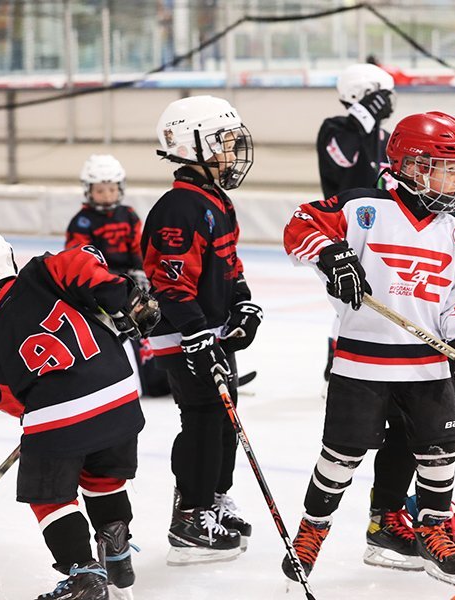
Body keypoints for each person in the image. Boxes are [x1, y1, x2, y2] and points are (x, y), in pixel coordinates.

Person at [281, 111, 455, 586]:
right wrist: (329, 252)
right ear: (415, 165)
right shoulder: (364, 209)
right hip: (362, 363)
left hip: (429, 369)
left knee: (440, 451)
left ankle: (435, 529)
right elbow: (300, 224)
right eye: (450, 166)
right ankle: (311, 530)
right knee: (340, 455)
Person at [0, 228, 159, 600]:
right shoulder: (42, 274)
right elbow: (83, 260)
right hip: (120, 396)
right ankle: (116, 547)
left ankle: (83, 574)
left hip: (59, 417)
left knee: (50, 496)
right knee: (102, 476)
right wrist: (125, 297)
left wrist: (44, 424)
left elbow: (2, 398)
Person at [361, 132, 455, 580]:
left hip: (445, 349)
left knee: (441, 439)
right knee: (403, 435)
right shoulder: (430, 225)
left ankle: (432, 513)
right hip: (399, 352)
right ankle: (386, 516)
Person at [143, 95, 263, 565]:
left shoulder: (215, 201)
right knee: (203, 418)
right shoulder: (179, 207)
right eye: (223, 142)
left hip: (209, 332)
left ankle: (213, 498)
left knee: (224, 420)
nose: (232, 153)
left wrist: (244, 301)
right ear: (191, 146)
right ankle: (190, 515)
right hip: (183, 337)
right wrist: (195, 332)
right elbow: (169, 281)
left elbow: (228, 265)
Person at [317, 63, 397, 383]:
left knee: (379, 301)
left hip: (383, 231)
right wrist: (361, 116)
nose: (388, 102)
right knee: (348, 301)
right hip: (343, 232)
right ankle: (337, 364)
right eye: (381, 94)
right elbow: (344, 160)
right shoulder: (335, 128)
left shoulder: (385, 137)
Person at [66, 154, 169, 398]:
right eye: (100, 190)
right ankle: (111, 376)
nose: (107, 195)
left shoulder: (129, 215)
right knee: (112, 327)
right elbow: (77, 260)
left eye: (111, 189)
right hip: (98, 284)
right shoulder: (81, 222)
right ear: (89, 191)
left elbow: (138, 247)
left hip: (126, 280)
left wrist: (141, 271)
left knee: (154, 313)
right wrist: (104, 280)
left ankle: (161, 370)